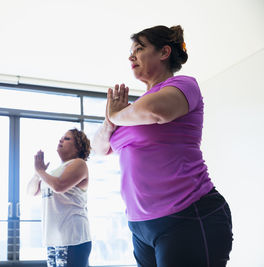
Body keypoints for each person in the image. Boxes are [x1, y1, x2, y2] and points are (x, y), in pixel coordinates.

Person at [92, 25, 233, 267]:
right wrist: (109, 121)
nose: (131, 56)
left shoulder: (184, 85)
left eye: (139, 48)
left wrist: (116, 116)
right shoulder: (130, 111)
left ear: (164, 52)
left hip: (187, 215)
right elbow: (100, 148)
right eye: (131, 51)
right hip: (141, 226)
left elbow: (157, 112)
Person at [27, 128, 92, 267]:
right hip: (53, 240)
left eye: (67, 138)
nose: (61, 140)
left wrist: (41, 171)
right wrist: (37, 174)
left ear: (78, 147)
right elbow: (32, 192)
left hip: (73, 238)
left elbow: (59, 186)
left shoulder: (79, 163)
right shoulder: (53, 172)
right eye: (62, 137)